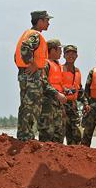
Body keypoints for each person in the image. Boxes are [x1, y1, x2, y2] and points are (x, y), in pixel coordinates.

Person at [14, 10, 65, 141]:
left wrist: (24, 66)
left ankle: (24, 134)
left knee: (27, 105)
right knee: (32, 106)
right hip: (32, 75)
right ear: (40, 21)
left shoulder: (28, 34)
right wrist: (32, 64)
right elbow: (25, 48)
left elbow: (16, 56)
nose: (48, 23)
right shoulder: (35, 35)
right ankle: (26, 136)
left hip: (26, 73)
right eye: (47, 20)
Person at [38, 39, 66, 143]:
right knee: (47, 132)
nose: (61, 52)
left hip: (57, 103)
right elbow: (43, 82)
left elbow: (58, 83)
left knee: (58, 133)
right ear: (53, 50)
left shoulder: (58, 65)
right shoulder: (45, 64)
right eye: (59, 49)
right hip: (47, 103)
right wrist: (57, 94)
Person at [61, 44, 83, 145]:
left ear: (77, 56)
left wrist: (86, 103)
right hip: (61, 106)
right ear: (64, 55)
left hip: (73, 107)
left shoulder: (78, 71)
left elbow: (80, 89)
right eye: (68, 53)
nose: (71, 56)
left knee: (76, 136)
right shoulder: (59, 69)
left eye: (73, 53)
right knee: (61, 133)